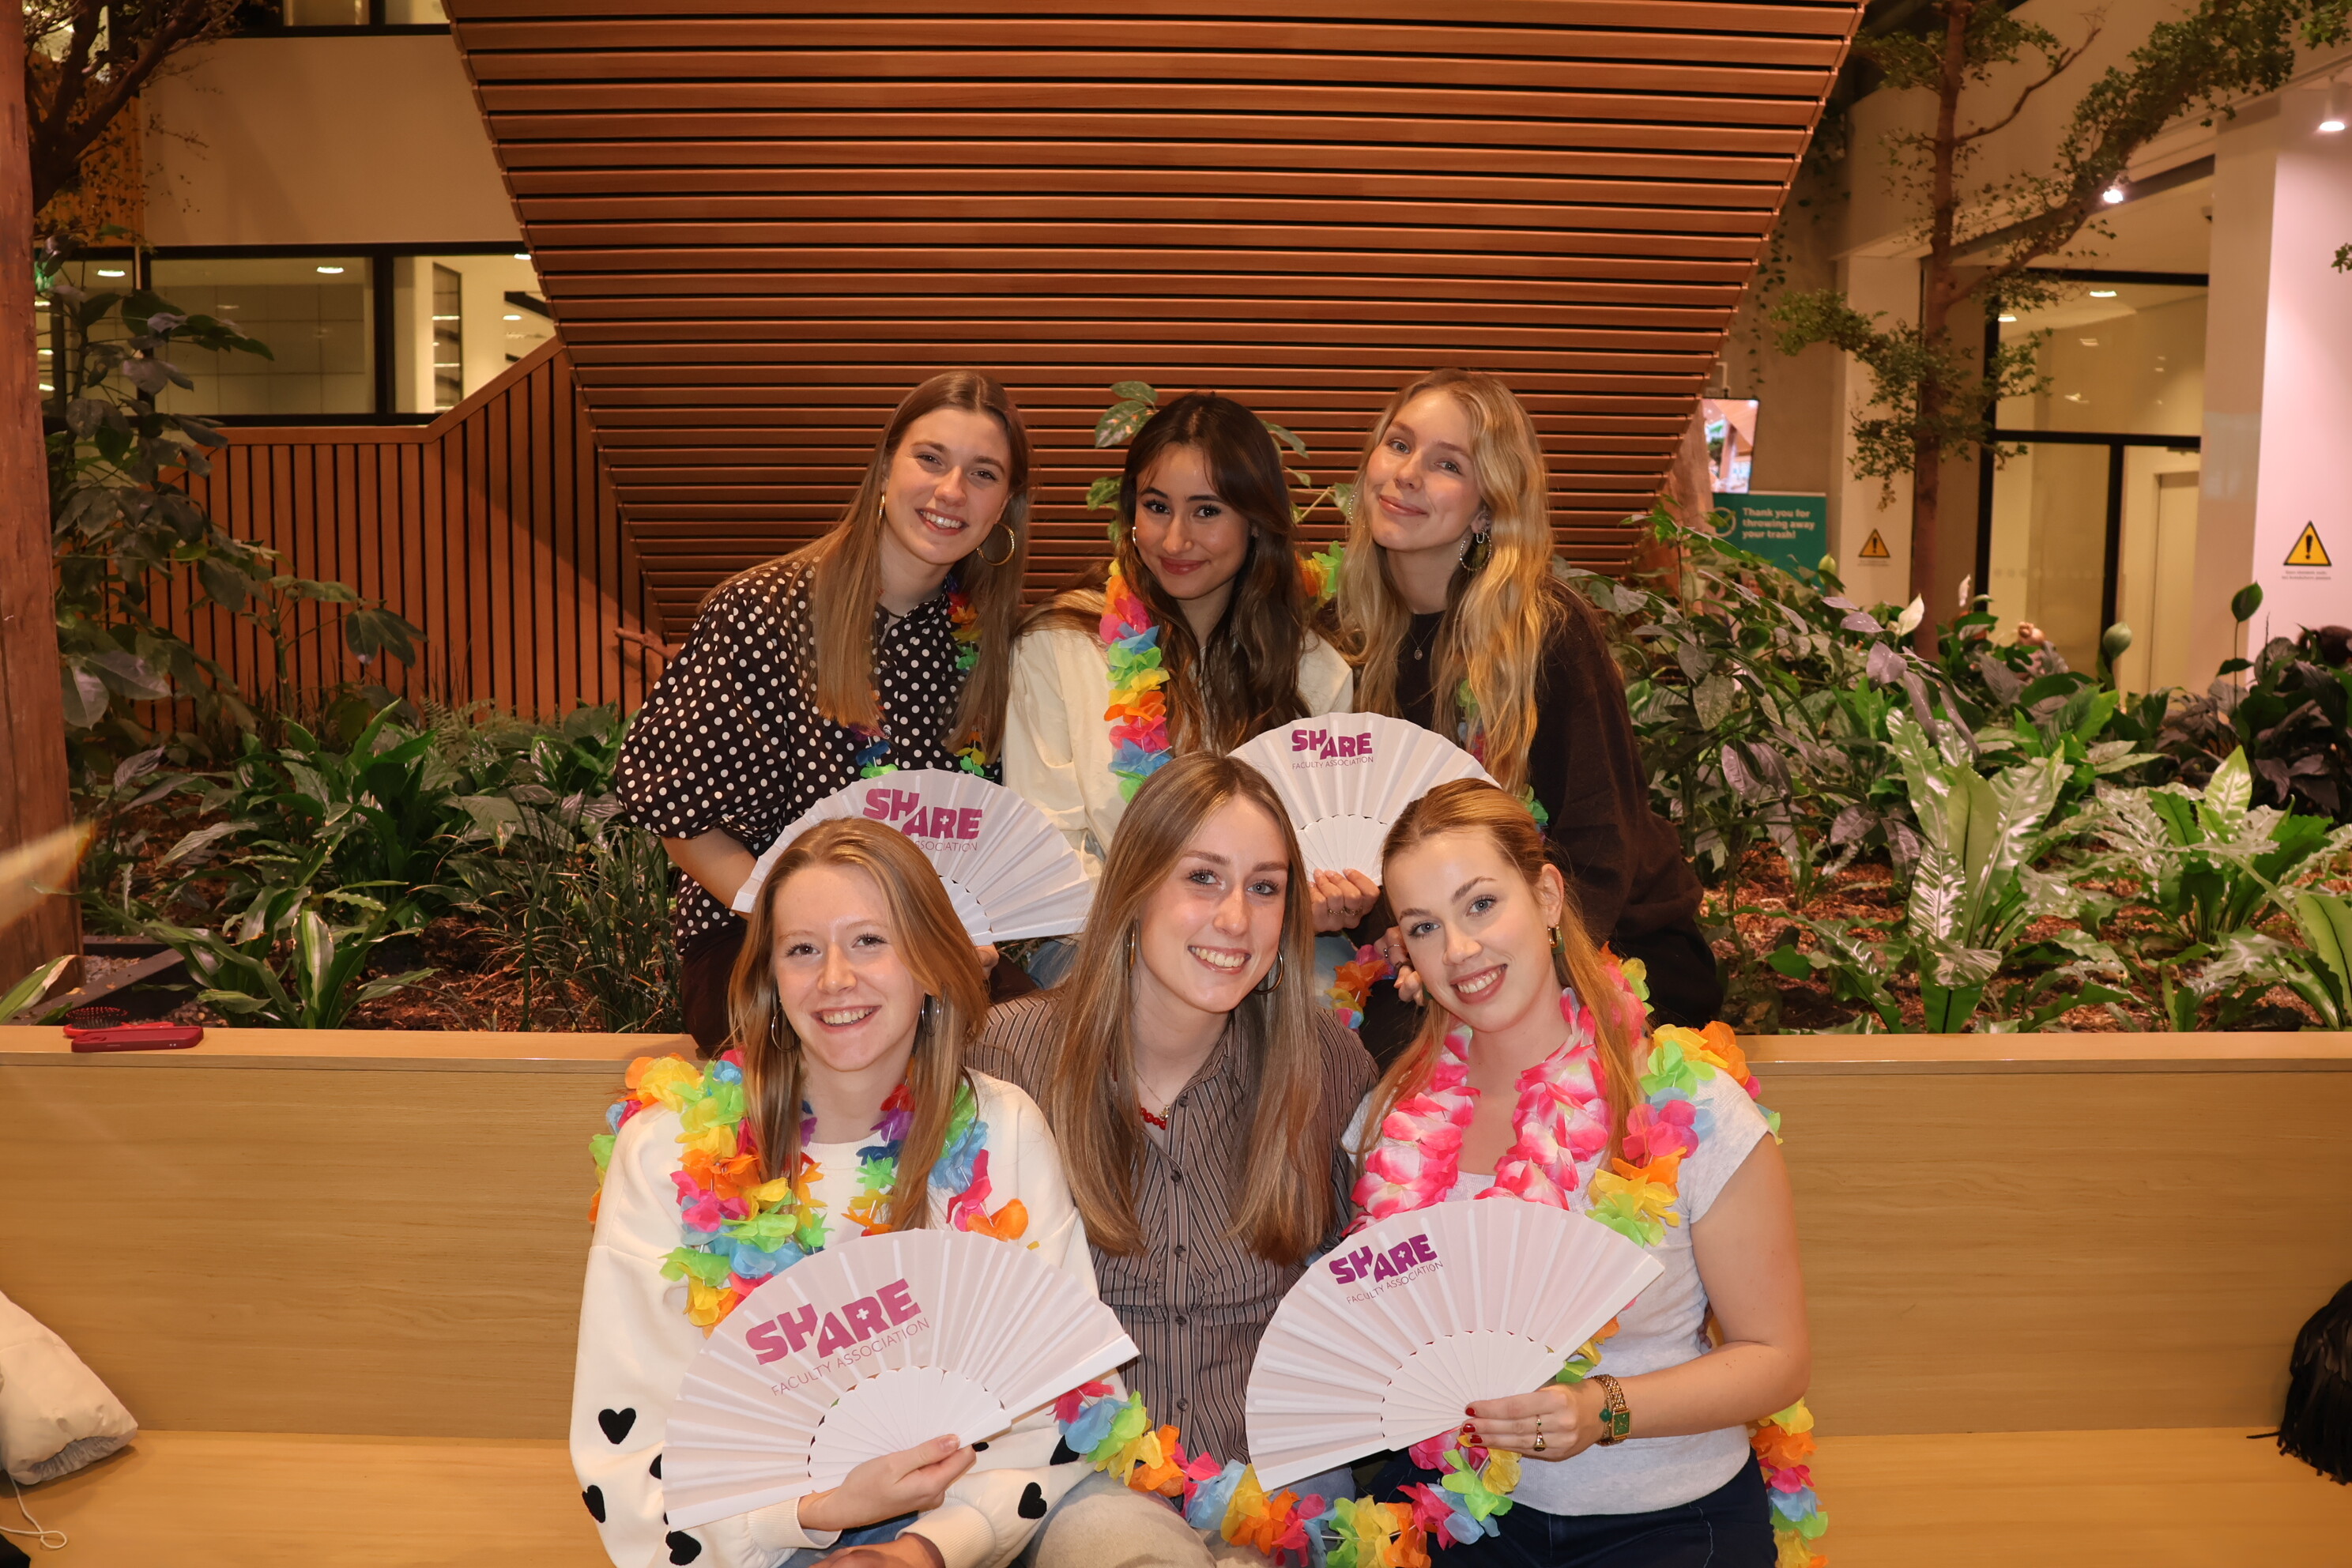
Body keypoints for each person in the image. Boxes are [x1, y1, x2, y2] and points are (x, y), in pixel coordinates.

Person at [573, 819, 1105, 1568]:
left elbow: (1064, 1403)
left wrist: (922, 1549)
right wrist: (808, 1515)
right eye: (802, 950)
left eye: (869, 941)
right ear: (769, 980)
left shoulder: (1002, 1130)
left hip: (960, 1536)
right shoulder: (667, 1154)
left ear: (931, 964)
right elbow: (628, 1451)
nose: (834, 979)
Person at [1351, 780, 1810, 1566]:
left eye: (1481, 904)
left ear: (1547, 896)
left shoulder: (1689, 1104)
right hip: (1458, 1513)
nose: (1458, 949)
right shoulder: (1389, 1119)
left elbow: (1777, 1357)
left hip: (1669, 1519)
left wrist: (1604, 1409)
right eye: (1425, 926)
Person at [967, 754, 1374, 1564]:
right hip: (1083, 1478)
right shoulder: (1009, 1057)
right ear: (1135, 887)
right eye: (1203, 878)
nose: (1236, 918)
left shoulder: (1325, 1063)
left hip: (1284, 1476)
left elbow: (1369, 1279)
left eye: (1265, 887)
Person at [616, 371, 1035, 1052]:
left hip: (927, 944)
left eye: (982, 474)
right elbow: (682, 823)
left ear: (1004, 507)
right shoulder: (762, 612)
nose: (952, 491)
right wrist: (807, 929)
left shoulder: (988, 645)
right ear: (885, 470)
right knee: (863, 1056)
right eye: (931, 459)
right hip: (760, 939)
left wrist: (961, 936)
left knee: (1042, 1045)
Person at [1335, 369, 1721, 1050]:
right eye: (1398, 445)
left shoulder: (1544, 632)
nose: (1407, 474)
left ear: (1488, 507)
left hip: (1598, 941)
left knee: (1416, 1046)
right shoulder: (1346, 639)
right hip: (1434, 947)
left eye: (1447, 464)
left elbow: (1600, 844)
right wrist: (1396, 935)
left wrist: (1499, 958)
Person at [1004, 391, 1372, 941]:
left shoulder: (1314, 670)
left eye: (1207, 511)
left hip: (1263, 945)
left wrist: (1326, 898)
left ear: (1255, 522)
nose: (1175, 540)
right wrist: (1173, 937)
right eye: (1157, 507)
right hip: (1102, 944)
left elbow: (1316, 852)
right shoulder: (1059, 645)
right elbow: (1049, 852)